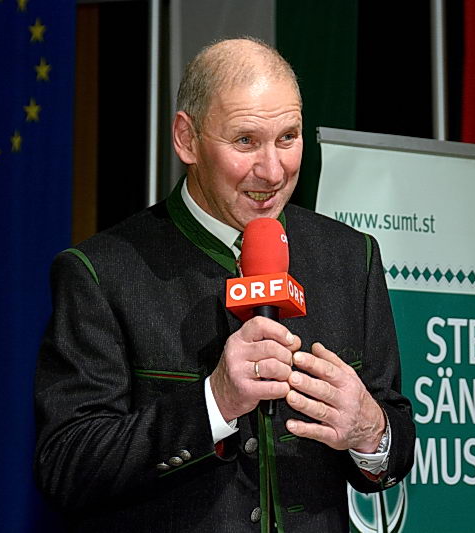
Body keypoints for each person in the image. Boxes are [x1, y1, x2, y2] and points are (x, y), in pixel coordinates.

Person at [34, 37, 415, 532]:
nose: (273, 171)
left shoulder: (350, 257)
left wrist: (370, 430)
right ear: (186, 139)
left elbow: (394, 440)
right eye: (245, 141)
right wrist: (213, 403)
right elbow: (67, 467)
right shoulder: (99, 273)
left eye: (288, 137)